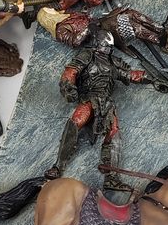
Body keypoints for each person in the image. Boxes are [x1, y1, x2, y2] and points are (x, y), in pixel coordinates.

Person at [48, 30, 150, 191]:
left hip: (106, 103)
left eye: (109, 46)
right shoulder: (88, 55)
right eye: (106, 45)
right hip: (90, 99)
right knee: (75, 122)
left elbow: (129, 75)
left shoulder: (113, 61)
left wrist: (150, 77)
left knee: (114, 134)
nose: (107, 48)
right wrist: (68, 86)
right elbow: (71, 71)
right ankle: (58, 166)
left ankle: (112, 178)